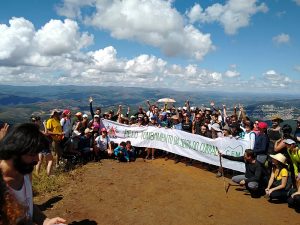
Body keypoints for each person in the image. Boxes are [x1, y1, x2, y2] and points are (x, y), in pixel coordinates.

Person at [0, 123, 66, 225]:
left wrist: (45, 221)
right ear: (15, 151)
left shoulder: (25, 172)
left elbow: (28, 203)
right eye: (32, 154)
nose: (36, 160)